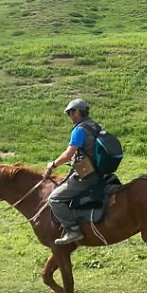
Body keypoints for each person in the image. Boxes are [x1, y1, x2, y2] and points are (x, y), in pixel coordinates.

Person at [44, 98, 104, 245]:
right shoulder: (96, 126)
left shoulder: (80, 130)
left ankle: (73, 230)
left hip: (87, 176)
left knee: (54, 199)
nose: (69, 116)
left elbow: (68, 154)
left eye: (70, 113)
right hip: (100, 173)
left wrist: (53, 164)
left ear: (77, 112)